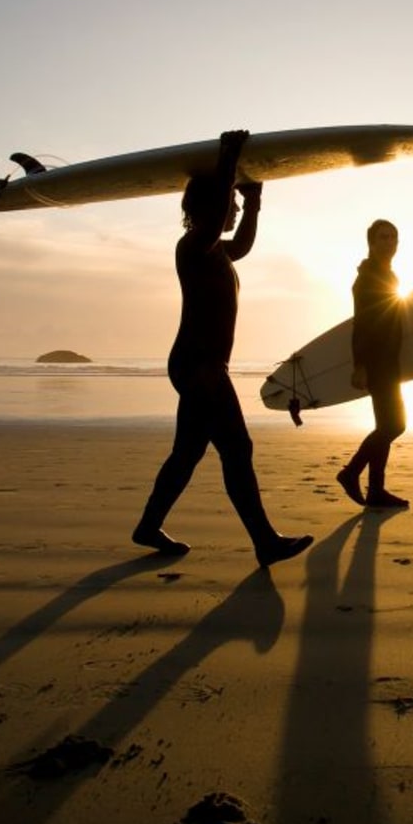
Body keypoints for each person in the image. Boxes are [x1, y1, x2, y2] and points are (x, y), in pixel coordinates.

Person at [132, 129, 313, 567]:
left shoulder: (216, 252)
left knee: (188, 452)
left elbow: (244, 244)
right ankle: (265, 542)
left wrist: (253, 200)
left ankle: (148, 526)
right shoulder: (193, 245)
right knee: (237, 449)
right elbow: (216, 221)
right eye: (229, 203)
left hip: (202, 366)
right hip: (201, 367)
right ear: (207, 205)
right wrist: (228, 159)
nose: (232, 209)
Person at [336, 219, 409, 509]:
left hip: (389, 361)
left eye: (393, 237)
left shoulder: (388, 276)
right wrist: (360, 365)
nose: (389, 242)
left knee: (386, 425)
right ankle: (351, 472)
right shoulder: (367, 279)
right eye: (383, 237)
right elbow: (362, 325)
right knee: (395, 425)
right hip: (377, 362)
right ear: (371, 242)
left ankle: (376, 490)